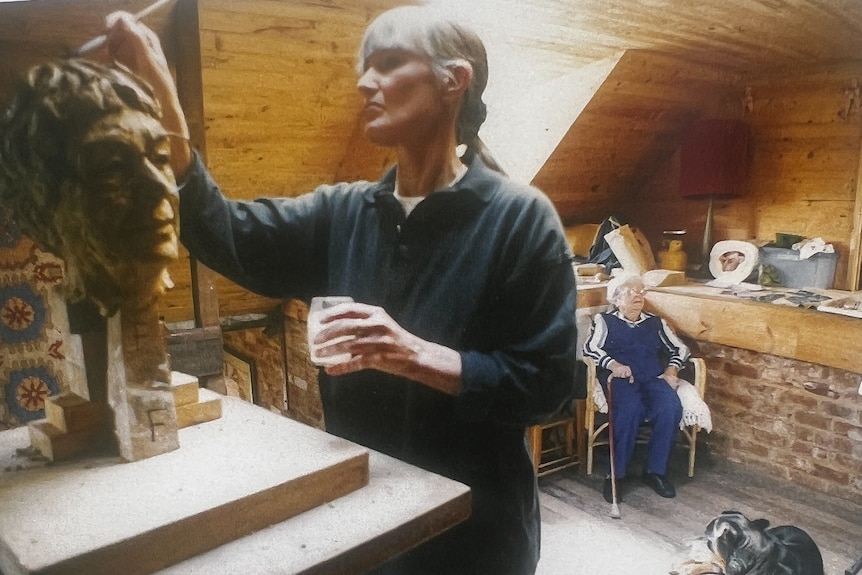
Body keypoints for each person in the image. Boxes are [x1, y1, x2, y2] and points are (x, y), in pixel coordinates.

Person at [100, 6, 577, 574]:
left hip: (477, 538)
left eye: (389, 63)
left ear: (455, 80)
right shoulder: (341, 212)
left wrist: (415, 355)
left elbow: (547, 389)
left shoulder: (521, 220)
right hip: (368, 520)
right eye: (363, 67)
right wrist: (165, 104)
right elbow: (224, 234)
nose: (363, 82)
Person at [582, 274, 689, 501]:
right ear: (616, 298)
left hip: (652, 377)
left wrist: (671, 371)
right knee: (630, 410)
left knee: (670, 407)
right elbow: (590, 348)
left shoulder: (655, 322)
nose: (638, 296)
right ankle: (616, 475)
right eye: (631, 292)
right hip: (621, 379)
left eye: (641, 291)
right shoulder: (604, 321)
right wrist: (614, 365)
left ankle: (654, 471)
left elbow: (680, 349)